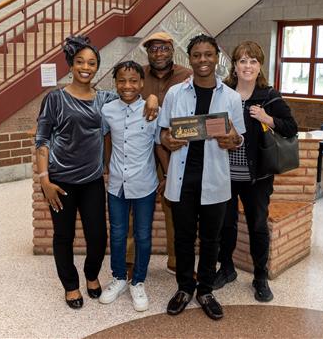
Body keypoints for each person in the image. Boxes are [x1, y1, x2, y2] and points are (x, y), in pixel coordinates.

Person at [35, 35, 158, 309]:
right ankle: (70, 285)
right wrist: (44, 180)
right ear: (71, 64)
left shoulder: (105, 98)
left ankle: (92, 276)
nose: (86, 67)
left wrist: (152, 96)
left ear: (97, 67)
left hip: (92, 180)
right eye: (80, 61)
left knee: (99, 236)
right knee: (63, 236)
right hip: (60, 181)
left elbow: (132, 97)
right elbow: (42, 141)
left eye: (92, 62)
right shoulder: (55, 99)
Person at [159, 34, 245, 320]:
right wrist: (168, 141)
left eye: (208, 54)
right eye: (197, 55)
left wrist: (232, 140)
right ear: (190, 58)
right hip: (183, 179)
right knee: (183, 238)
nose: (203, 60)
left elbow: (238, 138)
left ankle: (205, 290)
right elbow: (163, 132)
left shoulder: (231, 97)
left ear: (217, 56)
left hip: (215, 179)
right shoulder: (175, 93)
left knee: (211, 239)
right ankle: (184, 287)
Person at [213, 41, 298, 302]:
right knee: (224, 226)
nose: (247, 66)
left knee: (258, 226)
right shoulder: (223, 92)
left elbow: (291, 127)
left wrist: (266, 118)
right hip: (225, 174)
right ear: (234, 66)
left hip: (257, 177)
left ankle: (260, 277)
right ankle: (226, 269)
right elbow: (213, 124)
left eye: (252, 61)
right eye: (242, 61)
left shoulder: (269, 95)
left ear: (259, 65)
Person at [98, 61, 169, 312]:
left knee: (143, 235)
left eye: (132, 81)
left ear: (141, 83)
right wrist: (106, 166)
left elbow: (159, 144)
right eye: (121, 81)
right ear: (115, 83)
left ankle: (138, 281)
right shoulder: (107, 110)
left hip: (144, 184)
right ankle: (118, 278)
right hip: (117, 184)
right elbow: (107, 137)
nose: (127, 86)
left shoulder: (152, 110)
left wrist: (168, 174)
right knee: (117, 234)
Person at [125, 31, 192, 276]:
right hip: (141, 152)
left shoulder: (187, 76)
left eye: (163, 48)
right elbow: (125, 102)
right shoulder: (138, 75)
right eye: (153, 49)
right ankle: (130, 259)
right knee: (133, 204)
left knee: (174, 206)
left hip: (173, 151)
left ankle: (176, 260)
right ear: (147, 52)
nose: (158, 53)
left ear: (172, 49)